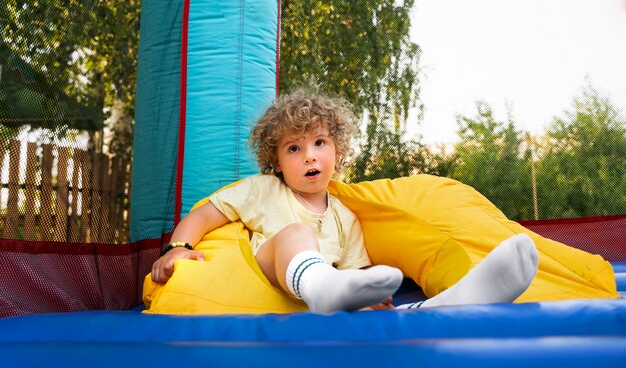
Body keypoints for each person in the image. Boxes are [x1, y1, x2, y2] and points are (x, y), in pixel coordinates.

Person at [151, 90, 539, 314]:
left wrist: (372, 298)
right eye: (293, 148)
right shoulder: (264, 190)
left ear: (337, 150)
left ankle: (451, 305)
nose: (309, 156)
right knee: (295, 233)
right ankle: (322, 284)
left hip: (316, 300)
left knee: (379, 310)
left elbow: (358, 276)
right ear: (276, 161)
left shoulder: (345, 217)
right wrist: (178, 248)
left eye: (320, 143)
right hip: (265, 278)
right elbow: (204, 214)